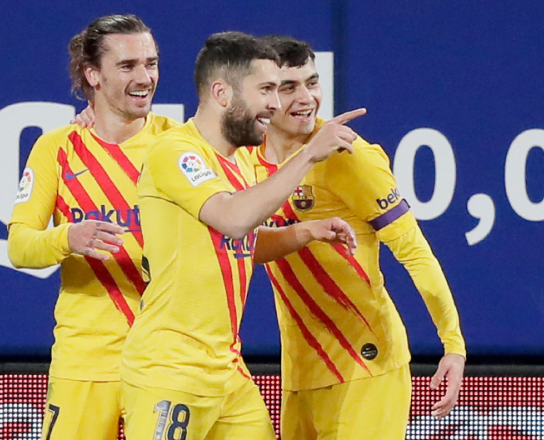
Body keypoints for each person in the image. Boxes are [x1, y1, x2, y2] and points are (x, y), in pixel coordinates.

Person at [118, 31, 363, 440]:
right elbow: (232, 219)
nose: (276, 103)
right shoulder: (175, 151)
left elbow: (239, 241)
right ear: (222, 93)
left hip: (228, 372)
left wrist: (305, 231)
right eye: (265, 89)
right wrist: (308, 155)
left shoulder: (240, 161)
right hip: (169, 370)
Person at [242, 35, 466, 440]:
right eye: (289, 87)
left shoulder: (349, 156)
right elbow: (241, 244)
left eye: (312, 82)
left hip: (367, 367)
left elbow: (414, 252)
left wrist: (452, 343)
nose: (306, 98)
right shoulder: (243, 158)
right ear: (261, 94)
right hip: (300, 372)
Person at [7, 14, 178, 440]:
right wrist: (68, 237)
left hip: (164, 358)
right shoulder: (57, 148)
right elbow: (19, 246)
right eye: (128, 66)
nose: (145, 78)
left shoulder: (180, 146)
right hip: (84, 361)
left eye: (151, 64)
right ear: (93, 75)